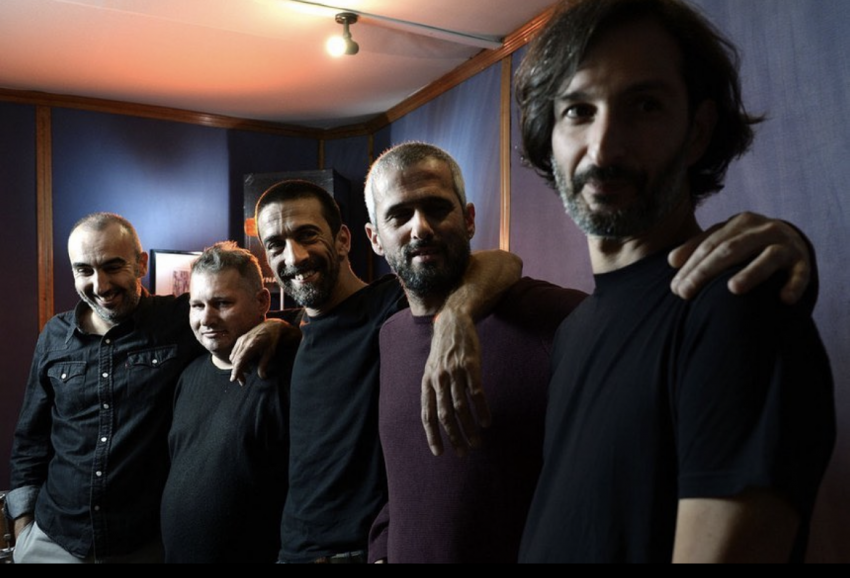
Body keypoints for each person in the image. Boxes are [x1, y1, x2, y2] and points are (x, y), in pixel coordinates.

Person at [511, 0, 835, 563]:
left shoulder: (739, 304)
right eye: (578, 110)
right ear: (550, 134)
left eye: (645, 106)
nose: (604, 148)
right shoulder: (574, 332)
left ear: (697, 132)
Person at [253, 179, 522, 563]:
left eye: (307, 235)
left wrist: (457, 313)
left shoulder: (391, 304)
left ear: (343, 240)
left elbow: (503, 262)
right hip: (292, 554)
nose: (293, 257)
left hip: (364, 551)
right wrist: (275, 326)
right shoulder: (295, 330)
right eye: (275, 245)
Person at [6, 213, 288, 563]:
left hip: (143, 545)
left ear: (140, 264)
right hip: (53, 539)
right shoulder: (53, 335)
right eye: (84, 270)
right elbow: (30, 441)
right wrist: (23, 529)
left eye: (113, 266)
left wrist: (279, 327)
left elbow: (240, 312)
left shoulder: (180, 319)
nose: (100, 285)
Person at [362, 141, 587, 563]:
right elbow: (404, 479)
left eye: (437, 208)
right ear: (375, 238)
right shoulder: (389, 336)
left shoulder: (554, 317)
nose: (420, 228)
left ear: (468, 220)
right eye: (399, 215)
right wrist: (380, 550)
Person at [160, 241, 294, 563]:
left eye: (221, 303)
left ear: (262, 301)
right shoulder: (188, 375)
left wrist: (284, 328)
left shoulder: (284, 375)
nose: (206, 318)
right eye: (197, 305)